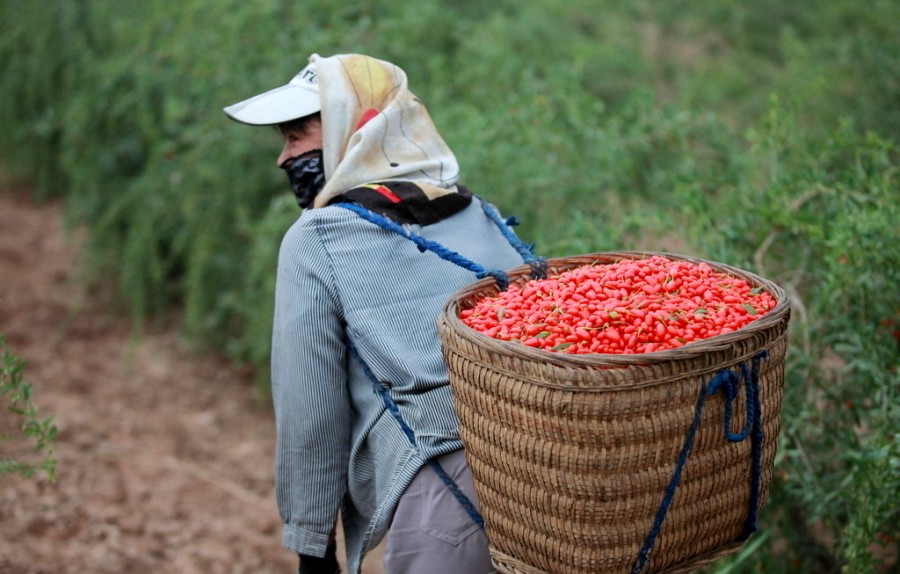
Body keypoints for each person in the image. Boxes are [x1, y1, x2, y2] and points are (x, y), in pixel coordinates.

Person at [223, 53, 540, 574]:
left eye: (296, 136)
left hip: (448, 497)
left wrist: (312, 544)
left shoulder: (316, 240)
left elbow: (310, 408)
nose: (283, 158)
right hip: (546, 475)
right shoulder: (478, 213)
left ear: (357, 130)